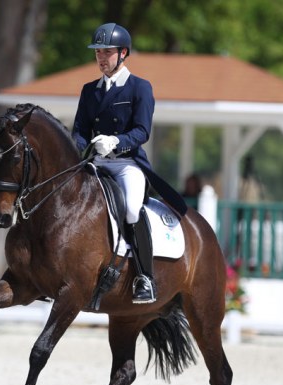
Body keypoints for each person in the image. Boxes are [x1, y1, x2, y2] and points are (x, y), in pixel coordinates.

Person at [72, 23, 186, 304]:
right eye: (98, 52)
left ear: (123, 53)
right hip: (96, 163)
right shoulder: (89, 91)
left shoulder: (139, 88)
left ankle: (144, 277)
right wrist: (81, 148)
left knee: (132, 209)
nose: (101, 57)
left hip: (126, 164)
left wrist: (115, 141)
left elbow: (141, 131)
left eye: (107, 52)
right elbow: (78, 130)